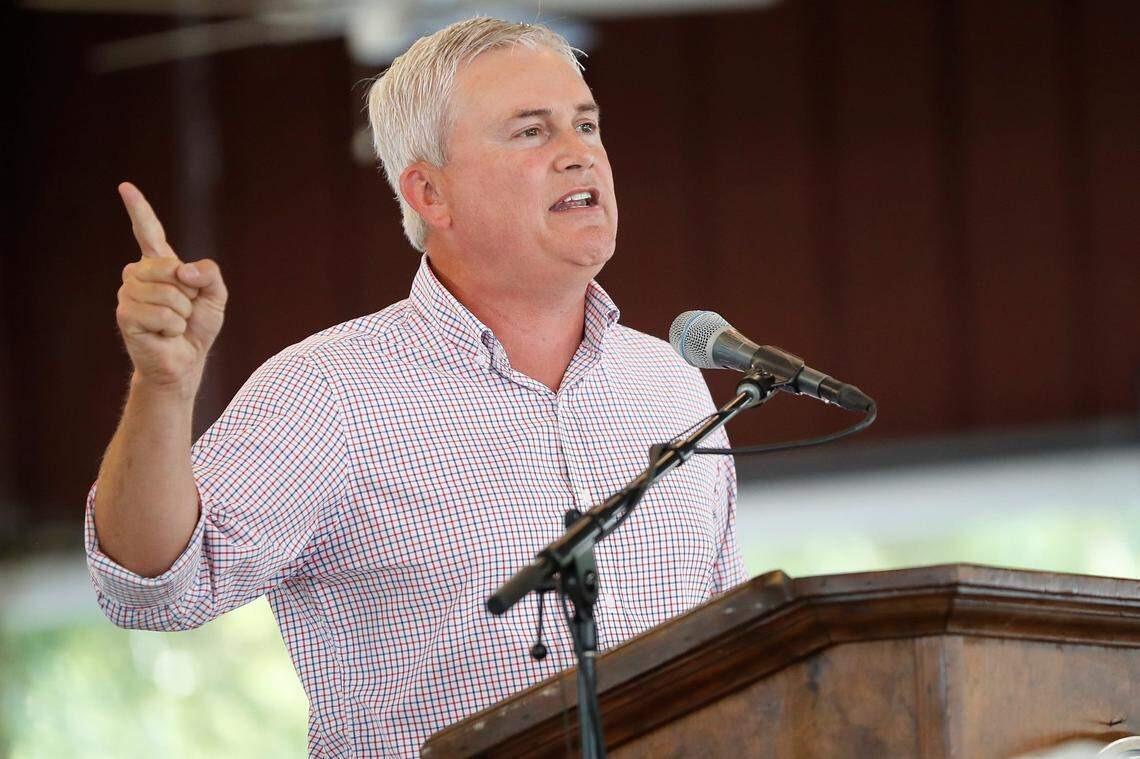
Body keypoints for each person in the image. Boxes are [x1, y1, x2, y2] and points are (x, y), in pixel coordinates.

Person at [86, 17, 747, 757]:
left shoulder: (670, 381)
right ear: (430, 192)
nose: (578, 155)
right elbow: (152, 585)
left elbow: (735, 645)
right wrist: (162, 386)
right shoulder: (327, 390)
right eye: (531, 132)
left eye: (586, 125)